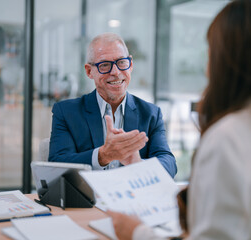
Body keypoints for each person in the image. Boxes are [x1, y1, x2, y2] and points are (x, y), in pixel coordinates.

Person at [107, 0, 251, 239]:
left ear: (224, 60)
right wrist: (136, 165)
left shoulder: (228, 139)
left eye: (210, 53)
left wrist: (136, 233)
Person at [48, 33, 177, 178]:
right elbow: (56, 165)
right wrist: (102, 156)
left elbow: (169, 164)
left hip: (133, 199)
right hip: (88, 200)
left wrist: (138, 164)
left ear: (131, 65)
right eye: (104, 65)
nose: (115, 72)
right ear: (89, 71)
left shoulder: (151, 114)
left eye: (121, 62)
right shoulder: (66, 112)